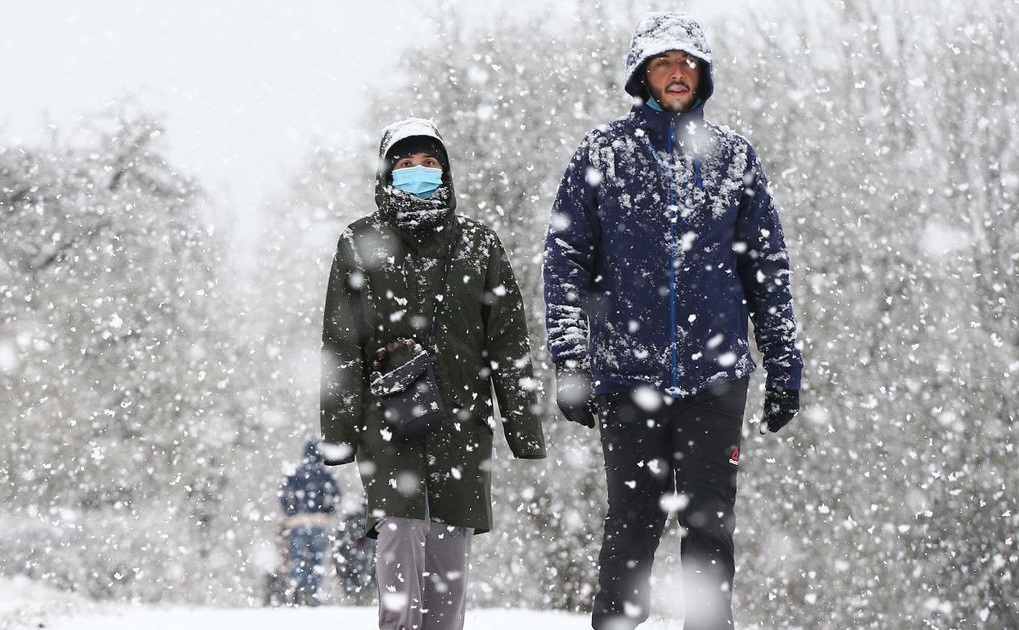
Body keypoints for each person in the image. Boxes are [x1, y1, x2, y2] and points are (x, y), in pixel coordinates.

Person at [543, 12, 804, 630]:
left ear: (703, 74)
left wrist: (784, 361)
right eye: (663, 62)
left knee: (709, 521)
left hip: (714, 376)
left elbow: (766, 266)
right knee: (631, 525)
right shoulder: (602, 153)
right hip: (627, 375)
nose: (676, 73)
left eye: (687, 62)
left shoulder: (733, 158)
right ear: (642, 75)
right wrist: (571, 358)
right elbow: (563, 263)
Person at [320, 117, 547, 630]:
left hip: (463, 426)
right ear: (386, 174)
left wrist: (523, 428)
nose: (418, 173)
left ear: (445, 173)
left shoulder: (479, 245)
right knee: (398, 546)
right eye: (405, 164)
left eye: (429, 164)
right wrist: (338, 435)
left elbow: (509, 344)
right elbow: (342, 345)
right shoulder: (359, 243)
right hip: (389, 423)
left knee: (449, 573)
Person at [278, 438, 342, 606]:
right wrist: (327, 510)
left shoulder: (295, 472)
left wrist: (290, 512)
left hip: (297, 523)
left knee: (297, 558)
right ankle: (312, 593)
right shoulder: (324, 473)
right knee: (317, 559)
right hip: (318, 522)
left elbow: (283, 493)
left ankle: (299, 590)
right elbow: (336, 494)